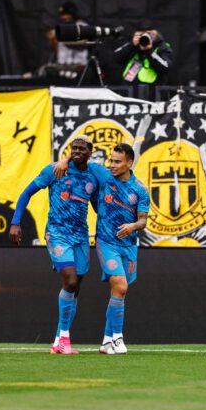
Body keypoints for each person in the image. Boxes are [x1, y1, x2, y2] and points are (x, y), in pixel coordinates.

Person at [9, 136, 100, 355]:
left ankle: (60, 339)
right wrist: (15, 222)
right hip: (57, 233)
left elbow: (97, 207)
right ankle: (63, 340)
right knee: (69, 281)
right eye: (73, 148)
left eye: (82, 148)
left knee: (75, 287)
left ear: (90, 152)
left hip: (80, 236)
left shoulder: (93, 177)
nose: (77, 151)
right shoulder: (55, 170)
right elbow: (26, 193)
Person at [55, 143, 149, 355]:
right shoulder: (103, 174)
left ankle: (107, 341)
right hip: (106, 241)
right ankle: (118, 338)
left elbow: (143, 221)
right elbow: (81, 156)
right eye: (111, 161)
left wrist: (133, 226)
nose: (112, 165)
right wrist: (64, 160)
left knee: (119, 291)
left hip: (128, 245)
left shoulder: (140, 190)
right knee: (121, 286)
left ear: (129, 163)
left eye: (117, 161)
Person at [114, 19, 173, 86]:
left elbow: (165, 68)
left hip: (151, 92)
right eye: (141, 34)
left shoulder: (162, 47)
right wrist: (131, 45)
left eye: (149, 34)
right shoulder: (133, 45)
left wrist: (149, 51)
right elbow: (116, 58)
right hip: (128, 91)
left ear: (156, 33)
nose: (145, 36)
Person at [43, 2, 89, 81]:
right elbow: (56, 49)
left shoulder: (83, 26)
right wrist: (52, 40)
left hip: (78, 66)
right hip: (62, 65)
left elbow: (83, 43)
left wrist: (62, 35)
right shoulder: (59, 28)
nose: (64, 17)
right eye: (62, 15)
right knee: (46, 70)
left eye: (67, 15)